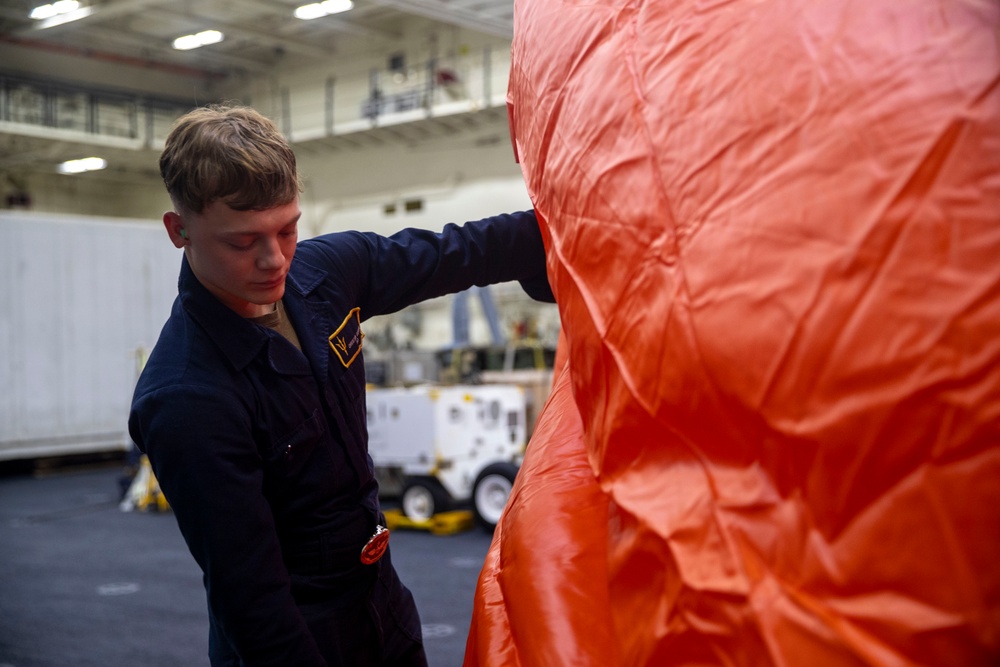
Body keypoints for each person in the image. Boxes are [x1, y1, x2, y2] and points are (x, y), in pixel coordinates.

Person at [127, 104, 553, 667]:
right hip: (299, 633)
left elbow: (458, 251)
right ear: (179, 231)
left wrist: (566, 233)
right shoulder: (185, 397)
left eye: (288, 229)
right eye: (242, 242)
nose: (274, 259)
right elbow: (251, 599)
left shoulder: (324, 273)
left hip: (382, 601)